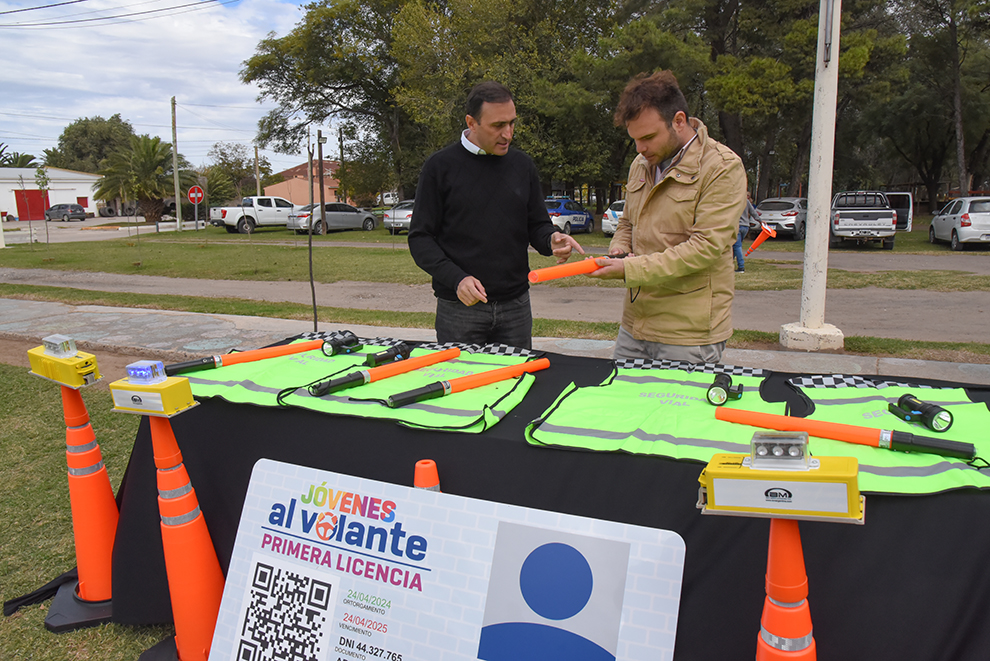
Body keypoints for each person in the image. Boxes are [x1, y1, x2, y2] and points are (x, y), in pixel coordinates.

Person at [409, 81, 583, 349]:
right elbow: (420, 238)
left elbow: (536, 225)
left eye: (512, 123)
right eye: (498, 125)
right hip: (460, 310)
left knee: (518, 386)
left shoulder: (522, 165)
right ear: (472, 122)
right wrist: (457, 279)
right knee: (463, 388)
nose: (508, 134)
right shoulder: (439, 167)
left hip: (515, 308)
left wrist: (551, 240)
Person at [587, 70, 746, 364]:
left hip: (688, 333)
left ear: (679, 121)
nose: (640, 148)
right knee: (621, 407)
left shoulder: (722, 167)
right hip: (635, 325)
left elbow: (705, 249)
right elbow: (627, 223)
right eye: (634, 139)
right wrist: (619, 250)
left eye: (648, 137)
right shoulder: (641, 164)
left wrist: (628, 270)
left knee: (677, 410)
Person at [734, 192, 760, 273]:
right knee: (735, 247)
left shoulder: (734, 200)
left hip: (737, 226)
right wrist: (760, 221)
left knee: (737, 246)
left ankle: (741, 267)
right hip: (745, 226)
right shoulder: (746, 201)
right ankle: (729, 264)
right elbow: (753, 212)